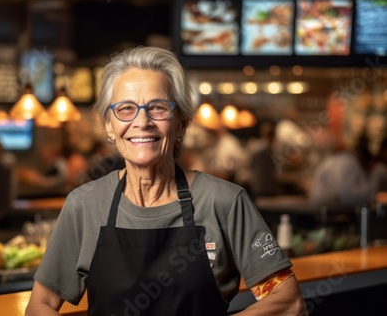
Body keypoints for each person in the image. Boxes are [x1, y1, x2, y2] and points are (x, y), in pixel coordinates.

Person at [26, 47, 307, 315]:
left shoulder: (224, 202)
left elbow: (288, 302)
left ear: (181, 123)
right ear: (109, 126)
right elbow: (40, 304)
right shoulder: (84, 205)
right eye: (125, 109)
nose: (142, 121)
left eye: (158, 108)